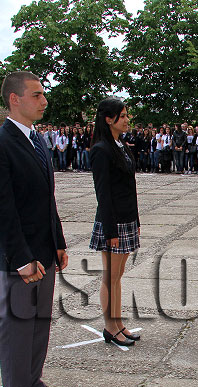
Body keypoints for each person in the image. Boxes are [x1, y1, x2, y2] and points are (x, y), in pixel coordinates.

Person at [0, 71, 69, 387]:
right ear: (14, 99)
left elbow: (47, 199)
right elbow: (2, 210)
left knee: (40, 321)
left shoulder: (38, 140)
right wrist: (20, 257)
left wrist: (57, 241)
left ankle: (32, 380)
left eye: (43, 94)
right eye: (36, 95)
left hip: (44, 249)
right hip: (22, 256)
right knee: (18, 323)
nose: (44, 101)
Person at [89, 98, 141, 347]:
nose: (127, 119)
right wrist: (110, 230)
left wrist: (136, 219)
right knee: (110, 276)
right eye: (122, 116)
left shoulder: (120, 145)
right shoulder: (101, 149)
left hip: (127, 219)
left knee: (118, 275)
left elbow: (130, 187)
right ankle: (110, 326)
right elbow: (103, 194)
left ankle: (118, 322)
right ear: (109, 119)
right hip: (113, 223)